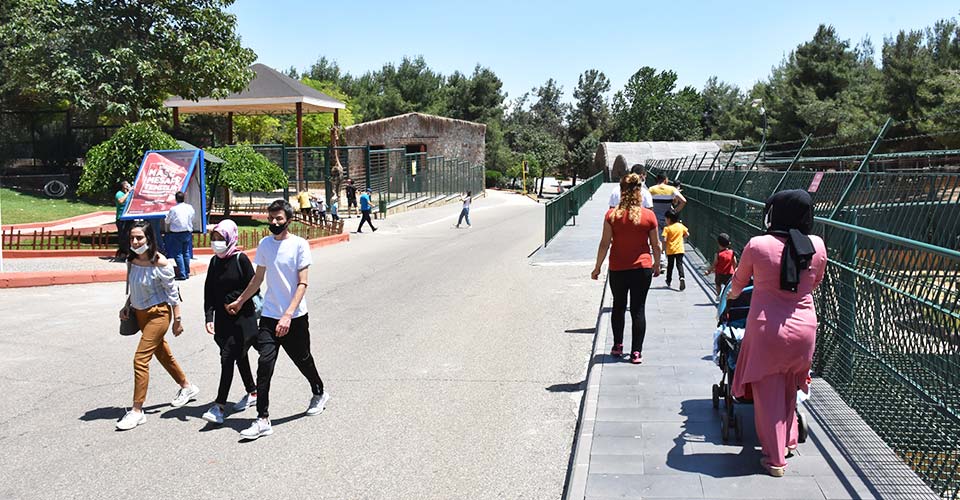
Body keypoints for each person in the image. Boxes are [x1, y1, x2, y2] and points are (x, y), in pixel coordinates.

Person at [727, 190, 827, 477]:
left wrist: (732, 296)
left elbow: (738, 282)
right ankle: (789, 440)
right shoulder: (817, 245)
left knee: (768, 394)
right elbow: (816, 280)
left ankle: (774, 460)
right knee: (789, 387)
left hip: (767, 328)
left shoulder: (758, 245)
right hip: (805, 328)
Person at [226, 200, 329, 440]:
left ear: (289, 220)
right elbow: (258, 278)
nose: (274, 223)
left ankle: (319, 391)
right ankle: (262, 419)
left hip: (295, 317)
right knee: (265, 364)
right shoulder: (264, 244)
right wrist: (241, 301)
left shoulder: (299, 245)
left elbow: (303, 283)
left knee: (303, 359)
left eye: (279, 219)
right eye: (271, 218)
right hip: (270, 317)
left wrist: (288, 315)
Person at [116, 221, 199, 431]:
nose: (135, 242)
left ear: (149, 239)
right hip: (140, 313)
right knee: (162, 353)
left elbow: (173, 293)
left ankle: (137, 411)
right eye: (132, 238)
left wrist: (177, 320)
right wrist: (127, 306)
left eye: (139, 238)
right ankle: (187, 387)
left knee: (140, 359)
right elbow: (133, 287)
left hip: (159, 314)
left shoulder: (161, 263)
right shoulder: (131, 260)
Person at [590, 173, 661, 365]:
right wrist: (657, 264)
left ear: (621, 191)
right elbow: (656, 245)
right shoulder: (649, 216)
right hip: (642, 268)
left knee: (619, 307)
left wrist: (597, 268)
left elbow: (604, 244)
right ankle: (636, 352)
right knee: (638, 309)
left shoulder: (611, 216)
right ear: (640, 191)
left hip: (618, 268)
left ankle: (617, 345)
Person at [200, 219, 259, 425]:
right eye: (214, 238)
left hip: (243, 320)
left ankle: (219, 406)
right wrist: (209, 317)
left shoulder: (240, 259)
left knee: (227, 358)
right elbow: (209, 292)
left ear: (230, 238)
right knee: (238, 356)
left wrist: (235, 301)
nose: (216, 242)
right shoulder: (215, 261)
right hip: (223, 322)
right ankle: (253, 392)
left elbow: (254, 287)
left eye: (220, 238)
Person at [649, 174, 686, 270]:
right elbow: (683, 201)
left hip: (655, 218)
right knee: (665, 240)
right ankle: (663, 259)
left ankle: (659, 261)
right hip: (668, 219)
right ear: (665, 180)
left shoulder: (651, 190)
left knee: (657, 241)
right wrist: (674, 212)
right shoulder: (671, 189)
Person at [164, 191, 195, 280]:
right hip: (187, 232)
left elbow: (167, 221)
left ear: (176, 199)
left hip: (176, 233)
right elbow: (192, 217)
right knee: (186, 252)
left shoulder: (173, 209)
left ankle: (182, 274)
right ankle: (187, 272)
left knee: (178, 254)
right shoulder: (189, 207)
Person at [661, 210, 689, 290]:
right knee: (679, 264)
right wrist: (681, 237)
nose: (665, 221)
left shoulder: (667, 228)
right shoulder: (680, 226)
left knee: (670, 266)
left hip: (671, 250)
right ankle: (681, 277)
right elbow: (687, 234)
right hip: (680, 249)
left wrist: (663, 249)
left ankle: (668, 280)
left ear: (669, 219)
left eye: (666, 219)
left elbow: (665, 240)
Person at [115, 181, 132, 260]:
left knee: (129, 235)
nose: (128, 186)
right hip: (121, 218)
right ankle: (123, 252)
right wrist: (128, 192)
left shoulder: (129, 193)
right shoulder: (119, 193)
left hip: (129, 217)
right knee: (123, 236)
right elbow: (121, 201)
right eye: (126, 185)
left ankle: (129, 252)